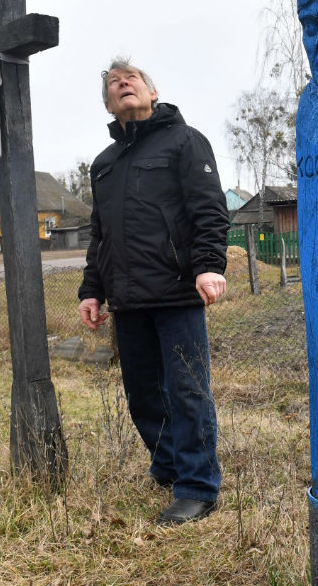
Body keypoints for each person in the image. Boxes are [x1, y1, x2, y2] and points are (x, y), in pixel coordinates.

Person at [77, 57, 230, 526]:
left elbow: (209, 209)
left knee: (187, 391)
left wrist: (208, 266)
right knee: (142, 394)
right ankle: (167, 467)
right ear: (108, 103)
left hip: (177, 291)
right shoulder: (103, 165)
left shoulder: (185, 141)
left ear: (152, 93)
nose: (123, 85)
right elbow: (100, 233)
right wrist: (92, 290)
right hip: (128, 300)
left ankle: (198, 486)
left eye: (132, 79)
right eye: (113, 84)